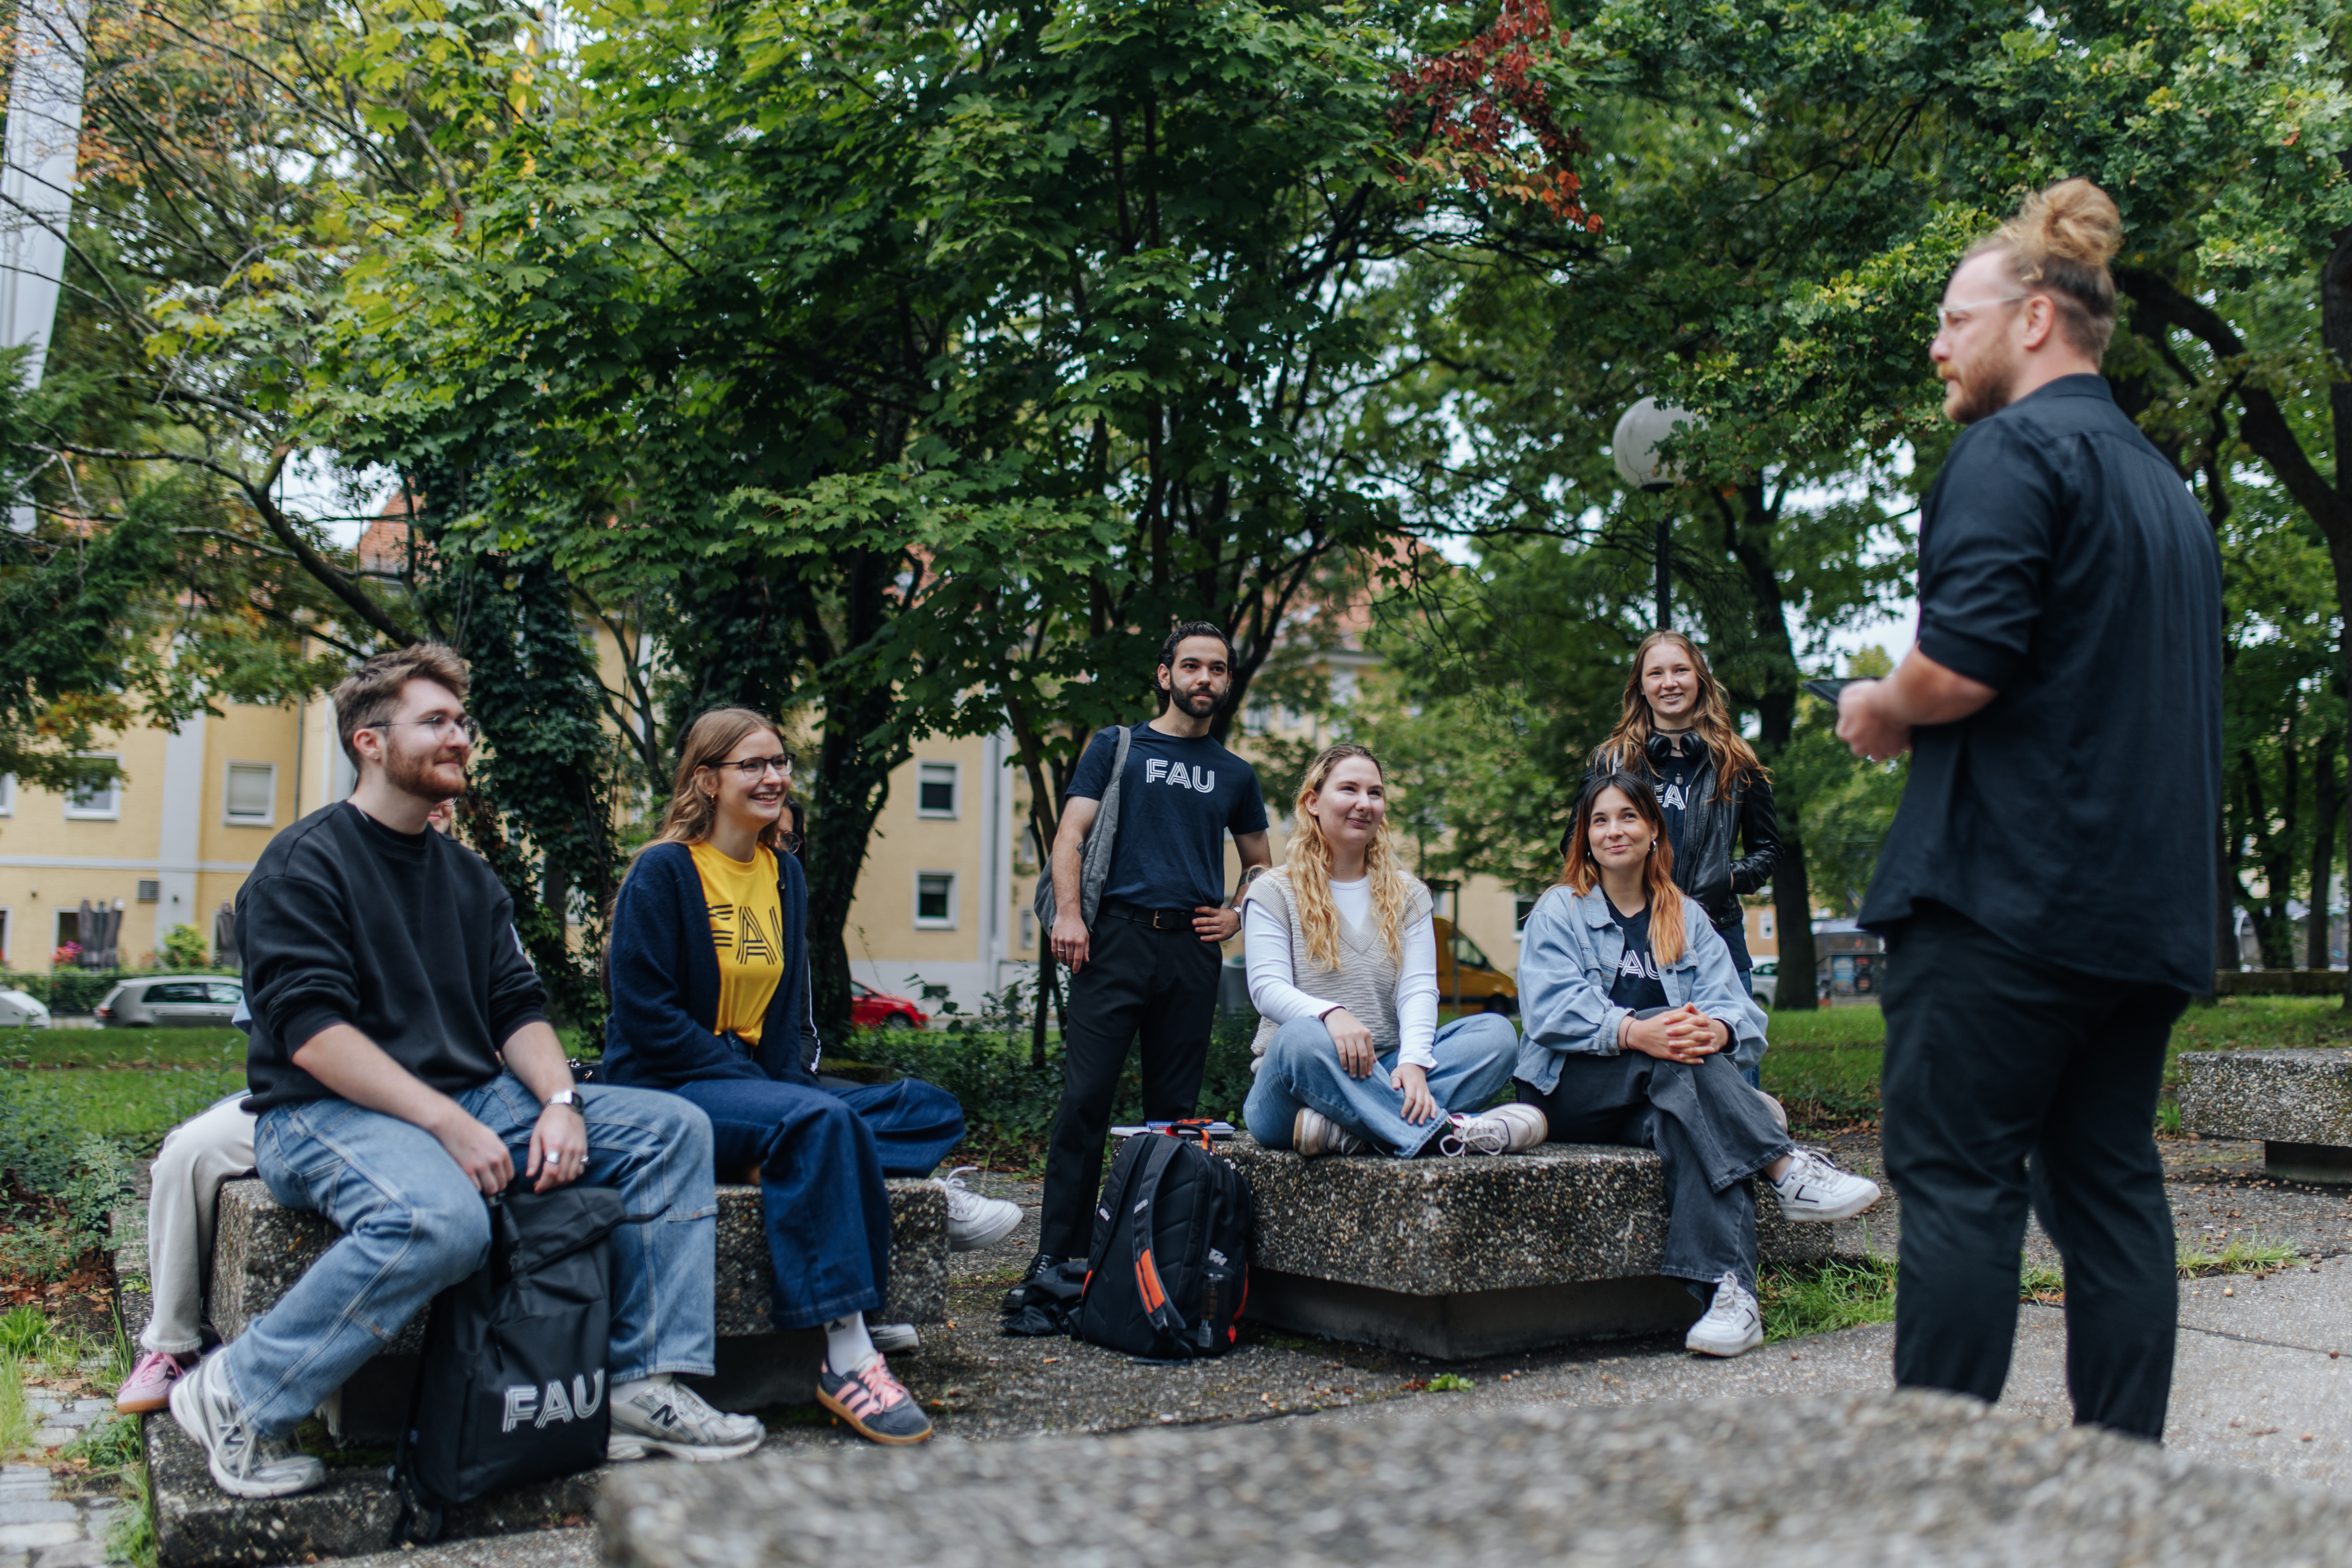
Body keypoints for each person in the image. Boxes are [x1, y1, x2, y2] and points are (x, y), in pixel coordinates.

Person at [170, 646, 759, 1501]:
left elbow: (516, 1008)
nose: (460, 738)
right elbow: (310, 1034)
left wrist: (558, 1102)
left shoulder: (467, 877)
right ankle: (237, 1392)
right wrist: (447, 1124)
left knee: (675, 1128)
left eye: (462, 722)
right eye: (436, 722)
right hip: (323, 1113)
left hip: (469, 1096)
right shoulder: (304, 864)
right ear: (370, 742)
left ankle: (640, 1385)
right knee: (440, 1222)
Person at [1835, 178, 2221, 1441]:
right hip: (2140, 917)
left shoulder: (2009, 450)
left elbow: (1966, 661)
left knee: (1956, 1189)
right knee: (2110, 1192)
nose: (1936, 345)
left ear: (2037, 319)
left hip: (2003, 907)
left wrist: (1883, 703)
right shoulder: (2166, 493)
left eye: (1954, 317)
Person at [602, 708, 1019, 1446]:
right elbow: (644, 1020)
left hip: (757, 1082)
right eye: (751, 765)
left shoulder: (783, 872)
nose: (773, 776)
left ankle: (785, 1149)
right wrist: (775, 1094)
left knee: (925, 1107)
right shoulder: (663, 871)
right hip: (668, 1084)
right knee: (821, 1121)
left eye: (779, 762)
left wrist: (781, 1088)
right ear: (706, 779)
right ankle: (849, 1353)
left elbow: (785, 1015)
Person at [1515, 772, 1879, 1358]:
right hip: (1569, 1090)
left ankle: (1730, 1296)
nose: (1614, 830)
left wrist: (1715, 1027)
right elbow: (1548, 1010)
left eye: (1628, 816)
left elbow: (1738, 1006)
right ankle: (1786, 1167)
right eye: (1600, 819)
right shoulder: (1560, 909)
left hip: (1659, 1093)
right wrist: (1637, 1030)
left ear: (1654, 830)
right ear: (1583, 836)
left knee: (1689, 1112)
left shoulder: (1681, 913)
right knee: (1677, 1058)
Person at [118, 803, 461, 1416]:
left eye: (445, 808)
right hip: (312, 1099)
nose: (435, 813)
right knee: (188, 1153)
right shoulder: (321, 882)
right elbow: (286, 1027)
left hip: (440, 1101)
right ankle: (171, 1344)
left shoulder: (471, 895)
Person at [1034, 622, 1274, 1272]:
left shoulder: (1235, 773)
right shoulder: (1119, 747)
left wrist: (1235, 911)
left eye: (1217, 669)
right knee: (1084, 1102)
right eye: (1191, 666)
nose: (1205, 679)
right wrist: (1069, 915)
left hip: (1190, 950)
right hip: (1111, 938)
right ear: (1165, 675)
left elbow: (1259, 863)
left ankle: (1151, 1264)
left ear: (1226, 681)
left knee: (1172, 1117)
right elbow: (1070, 835)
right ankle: (1057, 1258)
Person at [1240, 744, 1535, 1158]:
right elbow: (1267, 988)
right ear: (1312, 802)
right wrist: (1331, 1014)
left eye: (1375, 793)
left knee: (1497, 1036)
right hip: (1292, 1088)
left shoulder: (1408, 894)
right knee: (1300, 1037)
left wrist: (1413, 1061)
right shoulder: (1273, 891)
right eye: (1349, 789)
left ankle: (1353, 1130)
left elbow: (1417, 988)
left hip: (1387, 1069)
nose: (1364, 804)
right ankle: (1443, 1134)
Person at [1581, 632, 1780, 1024]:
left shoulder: (1736, 760)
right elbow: (1575, 842)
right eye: (1655, 673)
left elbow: (1768, 851)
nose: (1668, 682)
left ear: (1700, 679)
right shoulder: (1611, 761)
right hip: (1628, 934)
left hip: (1717, 932)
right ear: (1641, 686)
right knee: (1637, 1058)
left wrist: (1724, 877)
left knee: (1731, 1068)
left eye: (1680, 670)